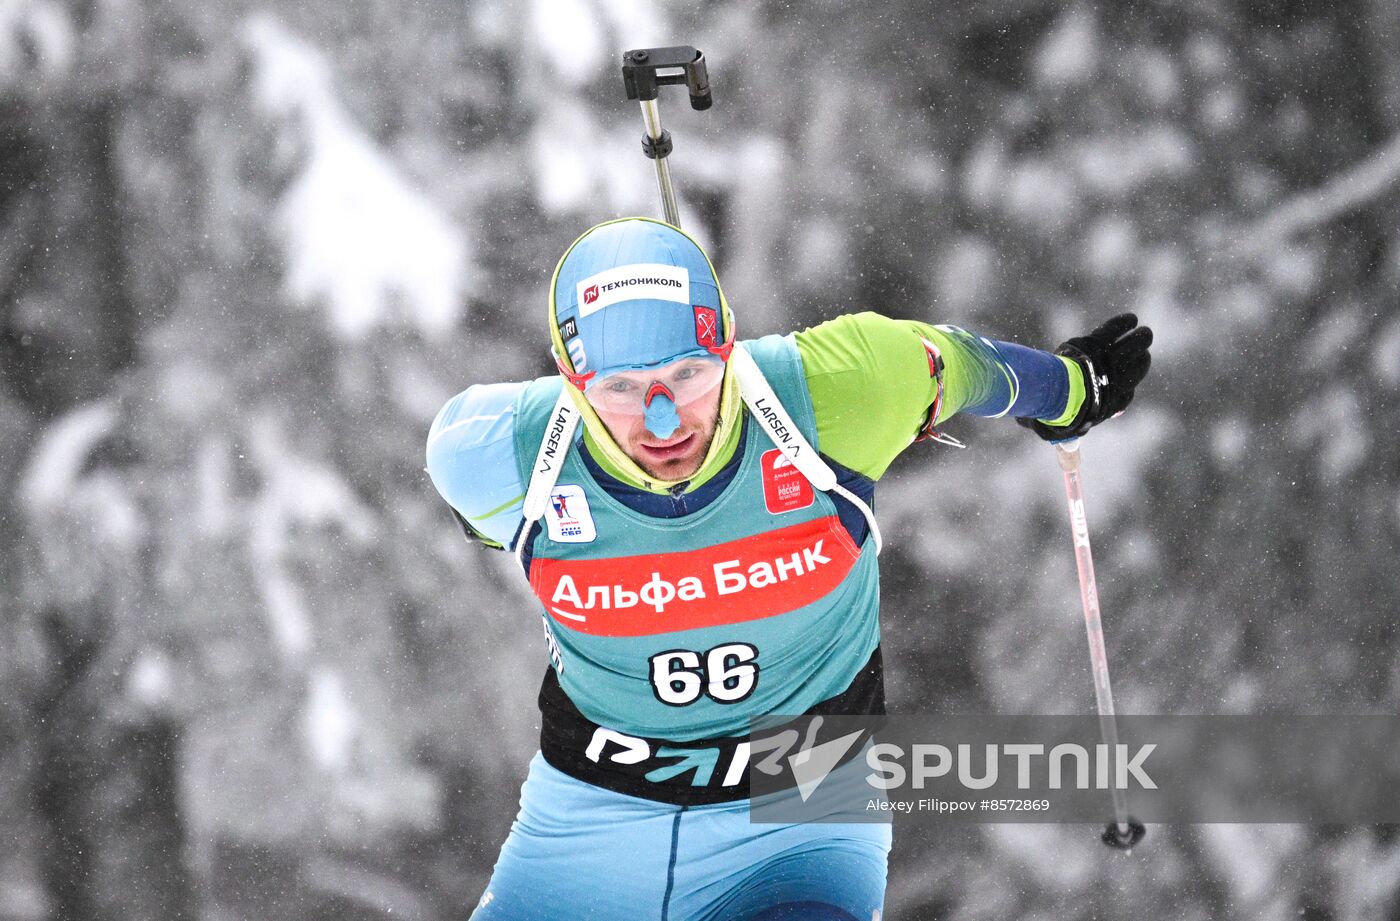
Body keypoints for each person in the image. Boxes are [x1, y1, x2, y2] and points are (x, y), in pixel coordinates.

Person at [426, 217, 1152, 920]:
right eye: (621, 388)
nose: (664, 420)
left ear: (727, 344)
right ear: (570, 380)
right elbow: (485, 512)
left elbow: (958, 365)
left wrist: (1070, 390)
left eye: (689, 373)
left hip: (803, 797)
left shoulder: (834, 393)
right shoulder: (494, 456)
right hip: (589, 816)